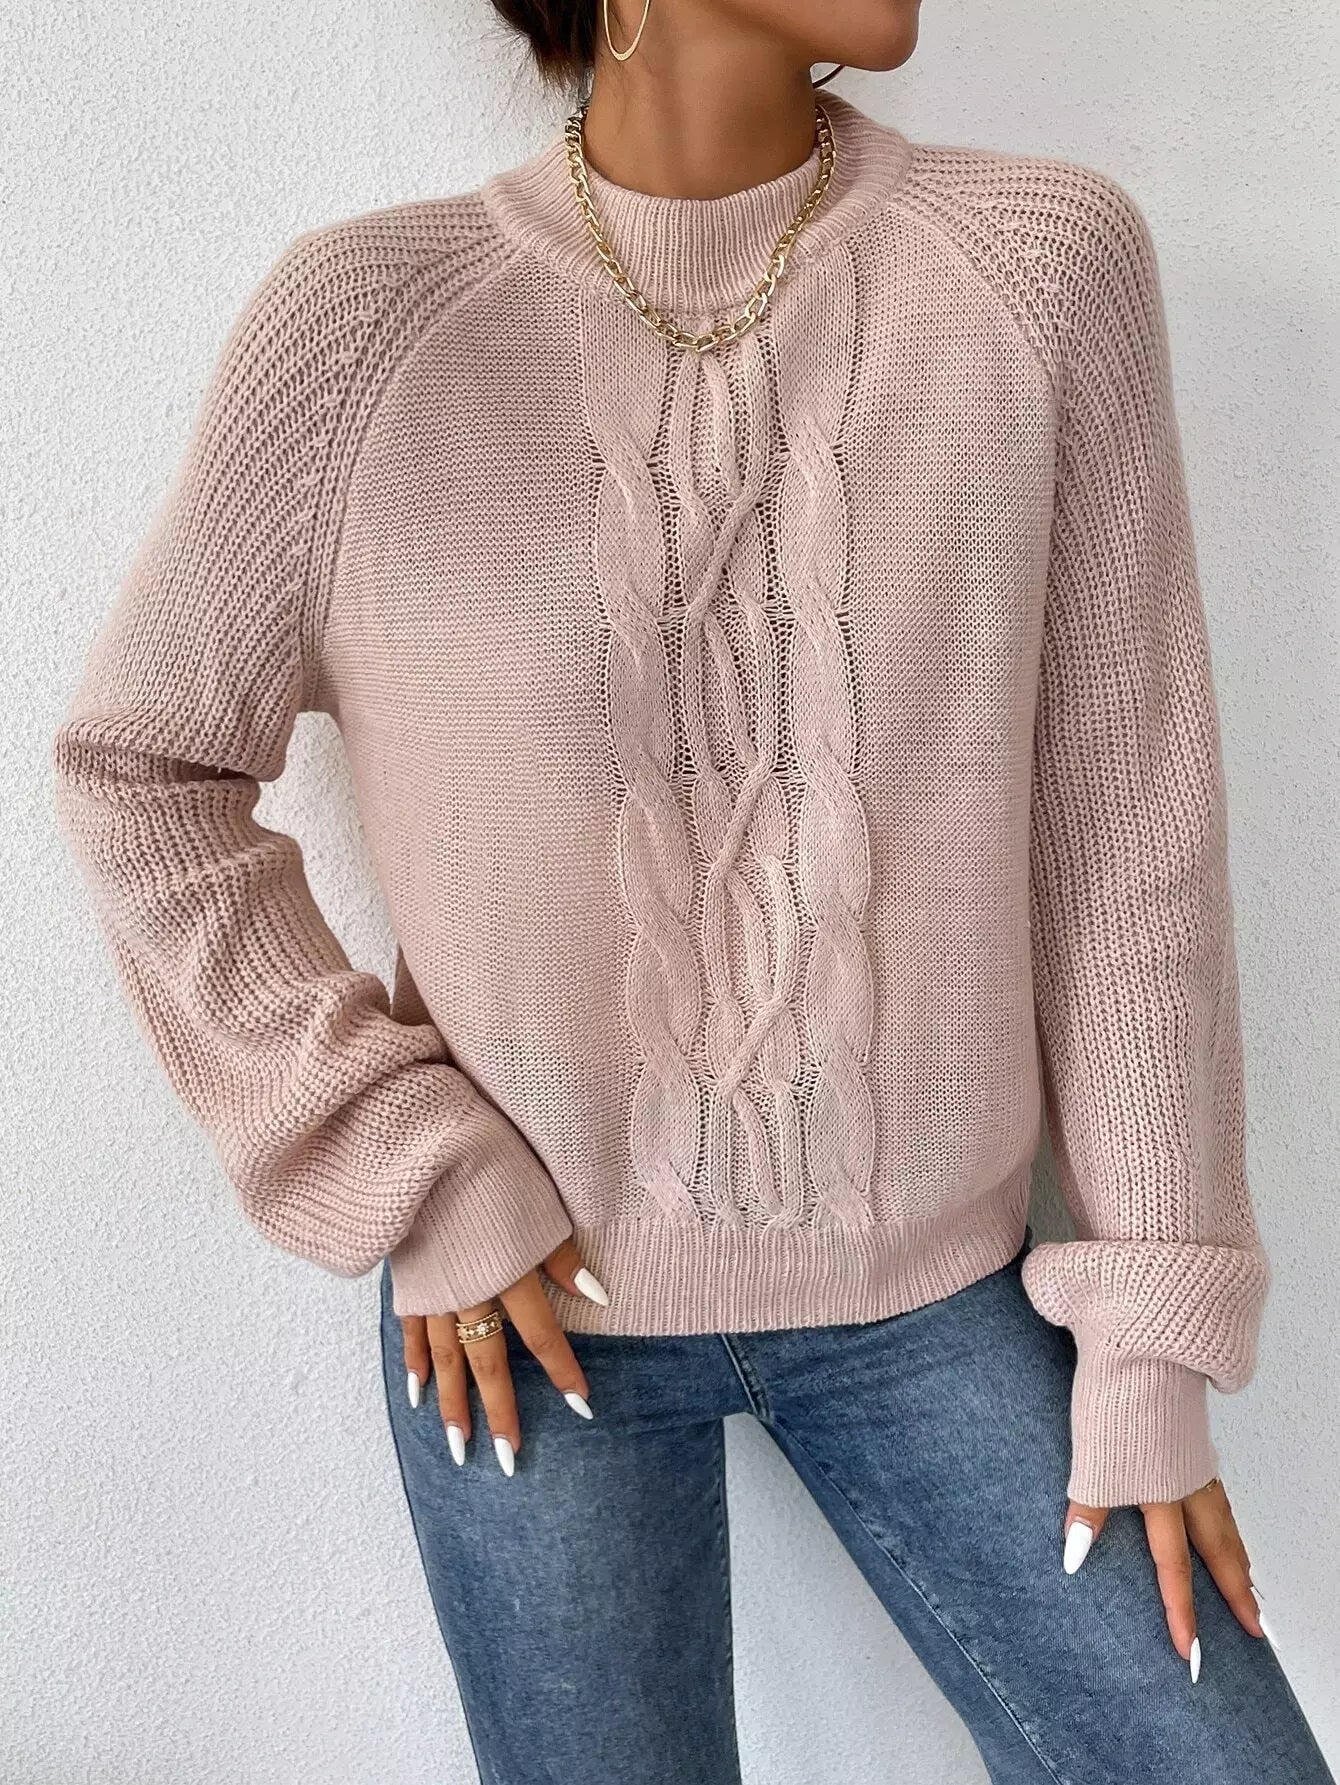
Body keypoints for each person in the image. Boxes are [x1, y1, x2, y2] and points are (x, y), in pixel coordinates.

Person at [51, 1, 1334, 1780]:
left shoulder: (1043, 272)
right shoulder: (361, 332)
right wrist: (406, 1153)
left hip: (943, 1300)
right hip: (523, 1313)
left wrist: (1152, 1335)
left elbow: (1128, 839)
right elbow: (142, 766)